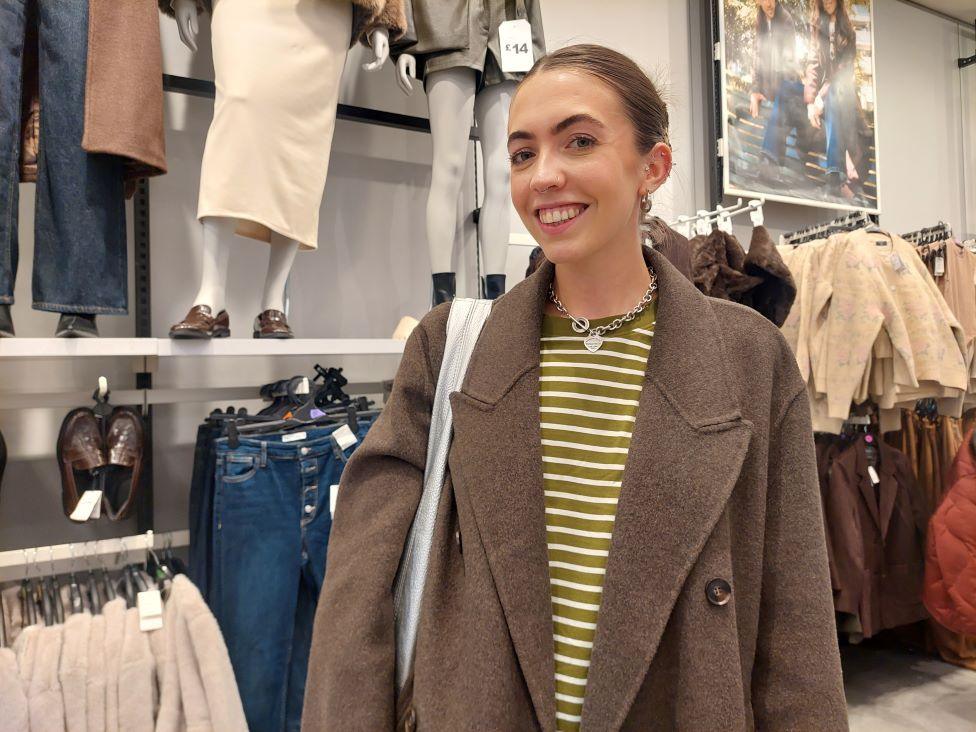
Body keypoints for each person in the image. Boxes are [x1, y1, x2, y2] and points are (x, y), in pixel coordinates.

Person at [301, 44, 848, 730]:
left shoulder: (748, 359)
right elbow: (356, 598)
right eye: (523, 154)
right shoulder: (449, 351)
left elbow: (794, 625)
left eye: (579, 141)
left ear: (654, 166)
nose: (545, 177)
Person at [806, 0, 859, 197]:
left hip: (843, 95)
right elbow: (812, 63)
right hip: (824, 97)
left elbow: (842, 72)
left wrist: (821, 95)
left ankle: (835, 173)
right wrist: (811, 102)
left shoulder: (849, 32)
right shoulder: (817, 27)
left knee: (835, 93)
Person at [749, 0, 807, 182]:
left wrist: (772, 89)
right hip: (774, 89)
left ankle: (768, 162)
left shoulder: (785, 20)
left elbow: (788, 63)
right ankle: (769, 164)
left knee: (784, 95)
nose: (770, 3)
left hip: (788, 86)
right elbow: (757, 60)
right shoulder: (760, 22)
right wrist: (755, 91)